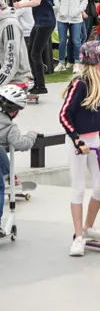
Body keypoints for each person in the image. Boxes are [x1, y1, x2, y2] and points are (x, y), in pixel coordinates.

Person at [59, 41, 100, 256]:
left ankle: (87, 227)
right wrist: (77, 140)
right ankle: (78, 236)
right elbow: (64, 115)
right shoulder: (80, 84)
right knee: (78, 187)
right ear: (96, 62)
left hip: (93, 141)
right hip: (79, 143)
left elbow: (98, 115)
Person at [0, 84, 38, 219]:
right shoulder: (10, 127)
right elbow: (22, 144)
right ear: (14, 111)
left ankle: (10, 176)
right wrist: (31, 134)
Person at [54, 0, 89, 72]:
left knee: (76, 40)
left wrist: (78, 10)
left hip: (76, 17)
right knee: (62, 41)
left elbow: (84, 0)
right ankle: (61, 63)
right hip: (62, 17)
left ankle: (77, 63)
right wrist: (60, 9)